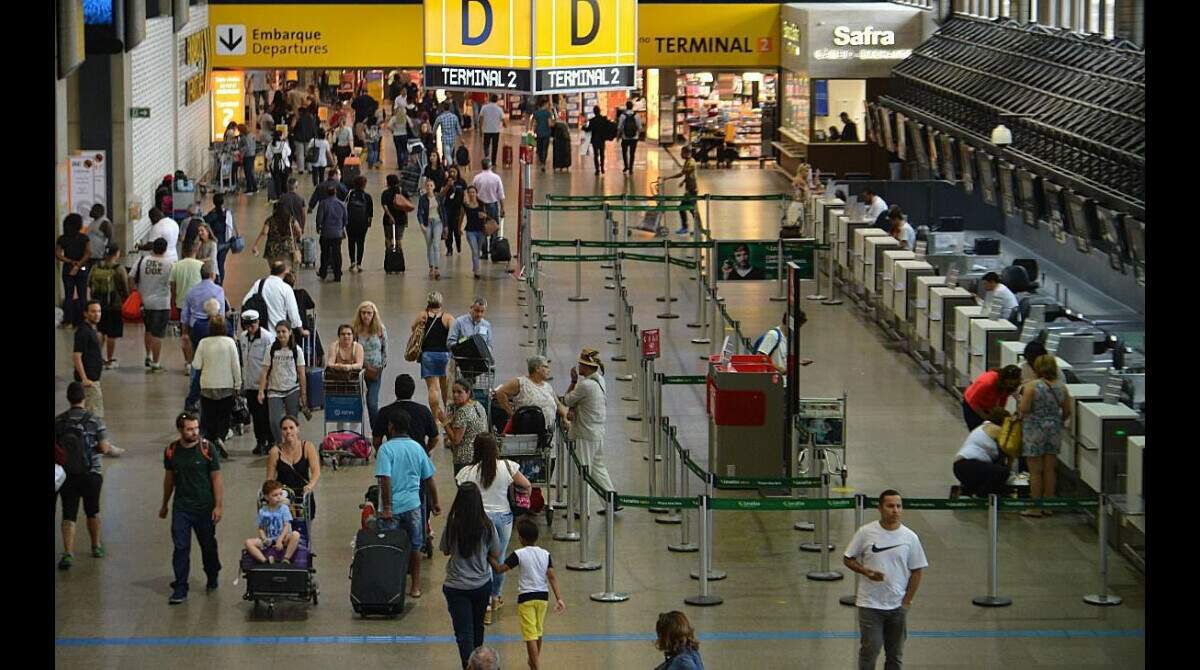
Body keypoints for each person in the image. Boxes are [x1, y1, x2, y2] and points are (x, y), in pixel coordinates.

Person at [843, 490, 928, 670]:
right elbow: (848, 558)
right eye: (890, 506)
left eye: (898, 506)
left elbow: (917, 571)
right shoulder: (865, 532)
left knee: (895, 655)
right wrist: (865, 571)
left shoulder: (910, 537)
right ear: (880, 508)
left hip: (897, 606)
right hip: (870, 604)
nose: (895, 510)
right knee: (870, 650)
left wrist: (906, 601)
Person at [456, 434, 534, 624]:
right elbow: (526, 485)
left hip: (479, 519)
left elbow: (462, 495)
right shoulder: (507, 466)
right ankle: (495, 597)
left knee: (482, 559)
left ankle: (485, 607)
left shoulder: (467, 472)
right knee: (499, 559)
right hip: (503, 518)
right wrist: (525, 499)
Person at [55, 382, 121, 570]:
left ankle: (68, 552)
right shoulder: (94, 420)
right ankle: (96, 546)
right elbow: (104, 447)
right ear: (83, 398)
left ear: (68, 399)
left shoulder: (59, 421)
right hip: (91, 472)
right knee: (92, 511)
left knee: (69, 514)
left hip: (67, 475)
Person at [377, 408, 441, 599]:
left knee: (389, 546)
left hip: (393, 508)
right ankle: (415, 587)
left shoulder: (386, 449)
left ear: (391, 427)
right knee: (415, 546)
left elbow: (385, 479)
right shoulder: (417, 448)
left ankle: (391, 584)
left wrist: (387, 507)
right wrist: (435, 502)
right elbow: (429, 479)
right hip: (414, 506)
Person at [160, 412, 224, 605]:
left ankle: (212, 573)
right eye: (190, 429)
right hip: (182, 508)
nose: (194, 432)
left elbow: (216, 478)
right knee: (181, 548)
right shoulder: (171, 451)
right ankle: (180, 586)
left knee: (208, 546)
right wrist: (164, 504)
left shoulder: (207, 449)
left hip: (205, 508)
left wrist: (218, 506)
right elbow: (169, 480)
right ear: (180, 430)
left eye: (196, 428)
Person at [440, 481, 503, 669]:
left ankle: (468, 666)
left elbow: (444, 550)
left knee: (463, 633)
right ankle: (481, 664)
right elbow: (496, 552)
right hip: (481, 584)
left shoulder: (453, 524)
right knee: (478, 628)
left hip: (456, 586)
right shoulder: (486, 525)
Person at [491, 519, 565, 669]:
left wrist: (489, 558)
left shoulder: (519, 554)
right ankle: (533, 662)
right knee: (538, 631)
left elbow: (499, 569)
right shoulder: (545, 554)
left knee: (529, 634)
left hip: (526, 598)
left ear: (521, 538)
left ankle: (536, 665)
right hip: (543, 597)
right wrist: (559, 598)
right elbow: (552, 576)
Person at [563, 348, 617, 512]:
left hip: (585, 434)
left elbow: (567, 400)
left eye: (580, 364)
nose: (578, 367)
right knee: (598, 468)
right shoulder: (600, 380)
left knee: (583, 471)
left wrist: (573, 381)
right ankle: (611, 501)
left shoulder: (585, 385)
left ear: (586, 367)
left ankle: (580, 509)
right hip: (597, 432)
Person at [1018, 355, 1072, 517]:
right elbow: (1067, 411)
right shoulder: (1062, 387)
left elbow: (1025, 408)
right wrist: (1057, 420)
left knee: (1035, 471)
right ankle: (1048, 505)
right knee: (1049, 470)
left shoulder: (1032, 386)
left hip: (1034, 430)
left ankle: (1035, 507)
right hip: (1053, 430)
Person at [192, 311, 240, 457]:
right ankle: (220, 437)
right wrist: (237, 384)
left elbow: (196, 364)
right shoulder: (230, 342)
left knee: (209, 416)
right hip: (226, 385)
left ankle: (211, 443)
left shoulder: (203, 343)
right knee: (224, 416)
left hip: (207, 386)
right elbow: (235, 365)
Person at [258, 321, 308, 443]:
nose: (281, 334)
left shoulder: (297, 350)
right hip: (274, 390)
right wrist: (261, 391)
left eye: (284, 331)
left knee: (292, 421)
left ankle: (293, 443)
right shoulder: (271, 349)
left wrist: (303, 394)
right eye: (278, 332)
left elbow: (301, 373)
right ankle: (280, 444)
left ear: (290, 332)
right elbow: (264, 371)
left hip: (292, 390)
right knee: (274, 421)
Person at [266, 415, 322, 522]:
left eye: (291, 428)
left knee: (304, 528)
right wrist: (272, 494)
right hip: (282, 496)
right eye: (285, 429)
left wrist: (310, 485)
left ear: (298, 429)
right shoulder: (275, 451)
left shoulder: (307, 447)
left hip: (303, 494)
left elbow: (316, 472)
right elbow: (269, 478)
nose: (288, 431)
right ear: (281, 432)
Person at [237, 311, 277, 455]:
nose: (250, 328)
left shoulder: (267, 338)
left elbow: (272, 362)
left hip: (264, 384)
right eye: (247, 325)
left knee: (266, 415)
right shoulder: (243, 338)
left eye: (252, 325)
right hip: (249, 383)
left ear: (258, 322)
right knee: (255, 415)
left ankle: (271, 441)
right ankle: (260, 441)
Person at [494, 356, 569, 430]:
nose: (549, 370)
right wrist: (512, 414)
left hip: (548, 433)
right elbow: (500, 392)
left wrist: (565, 416)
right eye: (546, 367)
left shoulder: (548, 386)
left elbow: (558, 405)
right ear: (537, 368)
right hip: (528, 432)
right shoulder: (521, 382)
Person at [413, 291, 456, 421]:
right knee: (446, 390)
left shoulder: (423, 315)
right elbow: (454, 335)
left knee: (433, 388)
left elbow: (413, 329)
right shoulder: (448, 317)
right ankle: (448, 418)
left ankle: (435, 418)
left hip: (428, 355)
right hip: (445, 356)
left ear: (428, 302)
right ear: (441, 303)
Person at [952, 408, 1012, 498]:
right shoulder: (995, 429)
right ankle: (981, 496)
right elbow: (1012, 444)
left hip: (962, 466)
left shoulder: (984, 426)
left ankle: (970, 491)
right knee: (1002, 473)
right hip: (968, 464)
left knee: (997, 472)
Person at [133, 238, 173, 371]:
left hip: (145, 302)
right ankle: (156, 362)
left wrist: (136, 293)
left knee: (149, 329)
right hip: (162, 303)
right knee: (158, 334)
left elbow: (130, 277)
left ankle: (148, 355)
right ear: (165, 249)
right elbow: (173, 283)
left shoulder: (142, 261)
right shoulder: (169, 264)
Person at [87, 244, 130, 369]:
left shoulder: (96, 266)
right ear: (116, 253)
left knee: (100, 331)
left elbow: (89, 282)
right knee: (112, 334)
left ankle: (98, 357)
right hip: (114, 305)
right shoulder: (119, 268)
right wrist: (125, 299)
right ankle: (110, 359)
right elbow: (125, 287)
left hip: (99, 304)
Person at [351, 301, 388, 437]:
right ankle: (356, 433)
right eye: (363, 313)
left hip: (375, 371)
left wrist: (381, 366)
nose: (366, 316)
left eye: (369, 313)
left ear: (374, 315)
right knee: (357, 403)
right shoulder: (355, 330)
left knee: (372, 403)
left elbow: (385, 348)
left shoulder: (380, 329)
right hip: (358, 371)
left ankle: (376, 432)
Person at [244, 480, 302, 565]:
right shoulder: (263, 511)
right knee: (248, 542)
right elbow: (261, 528)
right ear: (267, 497)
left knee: (296, 534)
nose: (279, 497)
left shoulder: (284, 508)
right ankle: (265, 561)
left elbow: (287, 525)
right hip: (269, 539)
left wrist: (280, 539)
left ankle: (286, 558)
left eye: (280, 494)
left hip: (284, 538)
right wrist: (264, 539)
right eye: (275, 495)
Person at [241, 261, 304, 336]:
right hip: (279, 334)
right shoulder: (286, 288)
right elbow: (293, 315)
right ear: (284, 273)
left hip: (261, 333)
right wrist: (301, 331)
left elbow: (245, 302)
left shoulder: (259, 283)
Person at [56, 213, 92, 328]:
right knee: (82, 295)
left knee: (68, 295)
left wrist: (70, 261)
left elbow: (57, 254)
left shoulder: (62, 239)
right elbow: (88, 253)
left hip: (68, 267)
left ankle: (68, 321)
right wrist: (79, 263)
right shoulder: (84, 238)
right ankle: (82, 320)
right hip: (82, 267)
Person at [445, 380, 488, 474]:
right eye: (453, 392)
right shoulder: (478, 405)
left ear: (468, 392)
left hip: (464, 460)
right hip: (480, 456)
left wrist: (445, 422)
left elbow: (456, 440)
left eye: (459, 392)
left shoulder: (463, 412)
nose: (455, 395)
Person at [962, 365, 1023, 431]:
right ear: (1004, 378)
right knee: (977, 429)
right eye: (1010, 383)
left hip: (988, 405)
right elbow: (973, 402)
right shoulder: (987, 382)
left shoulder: (1008, 385)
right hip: (971, 405)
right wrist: (985, 417)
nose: (1011, 385)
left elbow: (1003, 399)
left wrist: (1000, 414)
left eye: (1014, 383)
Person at [72, 300, 106, 417]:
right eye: (93, 311)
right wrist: (84, 378)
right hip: (89, 380)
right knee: (93, 414)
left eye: (99, 311)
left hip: (94, 378)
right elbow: (77, 356)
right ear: (85, 313)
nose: (97, 314)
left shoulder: (92, 330)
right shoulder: (83, 332)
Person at [755, 311, 813, 376]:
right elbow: (759, 357)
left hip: (785, 381)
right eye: (798, 326)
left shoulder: (789, 337)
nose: (798, 329)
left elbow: (782, 358)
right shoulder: (773, 335)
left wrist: (798, 362)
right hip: (774, 381)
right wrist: (779, 369)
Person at [250, 200, 303, 269]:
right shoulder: (291, 219)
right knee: (286, 273)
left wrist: (256, 245)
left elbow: (264, 232)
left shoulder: (270, 220)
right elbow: (299, 230)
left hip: (272, 251)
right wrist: (298, 237)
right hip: (287, 250)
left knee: (275, 273)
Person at [315, 185, 349, 282]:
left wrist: (318, 227)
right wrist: (341, 227)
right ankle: (337, 275)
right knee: (337, 253)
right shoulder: (341, 204)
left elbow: (319, 218)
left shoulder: (323, 203)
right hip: (337, 233)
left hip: (326, 233)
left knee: (324, 253)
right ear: (335, 193)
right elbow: (345, 219)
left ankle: (323, 273)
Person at [664, 147, 700, 235]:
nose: (680, 154)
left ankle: (688, 228)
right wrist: (683, 182)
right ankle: (694, 228)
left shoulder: (690, 163)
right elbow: (689, 175)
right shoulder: (688, 161)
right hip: (690, 189)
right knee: (690, 209)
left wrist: (668, 178)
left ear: (686, 153)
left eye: (682, 153)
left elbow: (681, 174)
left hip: (691, 190)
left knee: (687, 209)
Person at [418, 177, 446, 280]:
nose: (429, 187)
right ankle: (431, 267)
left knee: (436, 245)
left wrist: (445, 225)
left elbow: (443, 211)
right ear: (425, 187)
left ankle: (437, 268)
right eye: (427, 185)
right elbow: (419, 213)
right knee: (429, 245)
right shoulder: (422, 199)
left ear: (434, 187)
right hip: (427, 223)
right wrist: (422, 225)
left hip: (438, 222)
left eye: (431, 185)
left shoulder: (438, 197)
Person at [461, 186, 491, 280]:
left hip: (481, 231)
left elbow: (487, 216)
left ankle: (476, 267)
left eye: (473, 192)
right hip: (470, 231)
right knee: (474, 250)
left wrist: (485, 216)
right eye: (470, 192)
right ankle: (476, 270)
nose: (472, 194)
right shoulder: (465, 205)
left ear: (476, 193)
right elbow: (461, 216)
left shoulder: (481, 204)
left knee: (477, 251)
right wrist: (459, 228)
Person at [204, 194, 235, 283]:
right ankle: (220, 284)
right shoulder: (227, 213)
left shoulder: (212, 215)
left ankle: (215, 281)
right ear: (223, 202)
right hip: (226, 242)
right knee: (221, 264)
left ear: (213, 202)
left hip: (216, 242)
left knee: (215, 264)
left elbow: (204, 221)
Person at [345, 175, 373, 274]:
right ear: (364, 185)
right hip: (363, 223)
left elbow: (345, 208)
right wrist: (369, 223)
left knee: (351, 242)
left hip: (350, 222)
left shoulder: (350, 194)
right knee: (361, 243)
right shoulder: (367, 197)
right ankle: (359, 264)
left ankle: (352, 262)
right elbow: (370, 212)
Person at [381, 173, 412, 253]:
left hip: (388, 219)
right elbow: (407, 205)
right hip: (401, 218)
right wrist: (406, 219)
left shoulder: (385, 193)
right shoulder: (402, 192)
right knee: (399, 239)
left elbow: (385, 206)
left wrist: (390, 216)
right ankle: (399, 256)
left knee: (388, 238)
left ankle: (388, 254)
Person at [472, 158, 506, 229]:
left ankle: (483, 240)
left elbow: (473, 192)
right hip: (492, 206)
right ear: (491, 166)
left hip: (480, 206)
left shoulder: (476, 178)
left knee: (481, 227)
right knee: (494, 227)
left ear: (482, 166)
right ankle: (493, 240)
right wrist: (502, 208)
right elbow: (500, 194)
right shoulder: (496, 178)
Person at [582, 105, 614, 175]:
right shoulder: (604, 119)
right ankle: (602, 168)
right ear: (600, 111)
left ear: (594, 112)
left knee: (596, 155)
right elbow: (610, 126)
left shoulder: (592, 121)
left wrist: (583, 127)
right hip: (602, 139)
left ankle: (597, 169)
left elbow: (587, 129)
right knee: (602, 154)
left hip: (595, 140)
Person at [443, 165, 468, 257]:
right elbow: (443, 194)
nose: (452, 173)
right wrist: (448, 185)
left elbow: (465, 194)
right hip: (448, 208)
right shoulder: (447, 181)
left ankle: (458, 244)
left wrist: (466, 202)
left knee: (456, 229)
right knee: (448, 229)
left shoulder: (462, 182)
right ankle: (449, 248)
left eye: (454, 171)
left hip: (458, 209)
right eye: (451, 171)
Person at [528, 99, 555, 171]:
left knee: (539, 148)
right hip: (546, 133)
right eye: (547, 104)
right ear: (544, 104)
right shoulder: (548, 113)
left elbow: (532, 122)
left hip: (538, 132)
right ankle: (543, 162)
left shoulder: (536, 113)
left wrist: (531, 130)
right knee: (545, 148)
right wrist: (554, 123)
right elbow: (550, 124)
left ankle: (540, 160)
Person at [265, 130, 292, 202]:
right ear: (280, 136)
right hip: (285, 166)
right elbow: (289, 153)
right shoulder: (284, 144)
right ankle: (285, 198)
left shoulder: (270, 145)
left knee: (277, 182)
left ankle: (278, 197)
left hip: (274, 167)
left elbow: (267, 156)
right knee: (284, 182)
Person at [479, 94, 506, 166]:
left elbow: (481, 118)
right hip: (495, 130)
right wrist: (505, 124)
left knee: (486, 144)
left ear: (490, 99)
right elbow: (503, 119)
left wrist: (480, 128)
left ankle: (486, 157)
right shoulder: (499, 109)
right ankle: (493, 162)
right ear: (497, 100)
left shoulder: (484, 107)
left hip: (486, 129)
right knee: (495, 146)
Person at [618, 100, 643, 174]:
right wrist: (638, 134)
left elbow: (620, 127)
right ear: (632, 107)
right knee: (632, 153)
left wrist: (618, 136)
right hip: (634, 138)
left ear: (626, 107)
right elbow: (639, 127)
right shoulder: (636, 115)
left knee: (624, 152)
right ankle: (631, 168)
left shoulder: (622, 115)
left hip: (625, 137)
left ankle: (626, 166)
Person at [237, 123, 258, 195]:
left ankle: (249, 189)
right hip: (252, 154)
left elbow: (246, 147)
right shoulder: (252, 135)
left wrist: (241, 153)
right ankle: (255, 187)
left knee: (247, 173)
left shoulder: (244, 137)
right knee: (250, 172)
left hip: (247, 156)